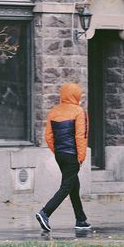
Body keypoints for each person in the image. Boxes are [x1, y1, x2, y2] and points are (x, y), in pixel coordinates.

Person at [36, 83, 91, 231]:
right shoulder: (79, 111)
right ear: (76, 95)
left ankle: (81, 220)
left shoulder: (54, 111)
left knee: (74, 185)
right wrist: (81, 157)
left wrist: (58, 151)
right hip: (72, 155)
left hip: (60, 155)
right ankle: (45, 212)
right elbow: (81, 136)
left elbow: (48, 137)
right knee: (66, 186)